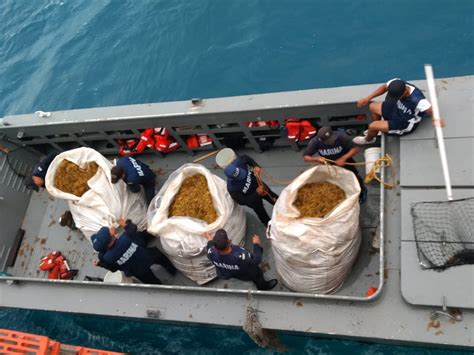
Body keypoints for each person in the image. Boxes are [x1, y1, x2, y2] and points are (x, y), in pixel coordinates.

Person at [91, 218, 176, 284]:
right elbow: (132, 228)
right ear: (112, 236)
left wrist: (100, 264)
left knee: (150, 280)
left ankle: (159, 286)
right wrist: (125, 223)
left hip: (137, 270)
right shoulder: (125, 238)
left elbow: (113, 268)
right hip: (146, 256)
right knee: (160, 257)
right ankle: (172, 270)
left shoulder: (107, 258)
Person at [353, 78, 433, 145]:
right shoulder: (396, 82)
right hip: (396, 109)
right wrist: (368, 98)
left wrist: (435, 119)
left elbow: (431, 110)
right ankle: (377, 130)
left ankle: (368, 139)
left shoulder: (418, 100)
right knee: (372, 106)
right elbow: (384, 87)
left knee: (372, 126)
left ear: (405, 92)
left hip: (404, 122)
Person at [303, 126, 367, 204]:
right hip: (329, 164)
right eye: (328, 141)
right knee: (334, 180)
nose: (331, 142)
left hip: (345, 162)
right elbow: (306, 157)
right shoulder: (314, 142)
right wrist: (316, 159)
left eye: (332, 139)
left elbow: (355, 148)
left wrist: (344, 158)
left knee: (355, 176)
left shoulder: (341, 136)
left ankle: (362, 191)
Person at [216, 148, 279, 226]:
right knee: (261, 212)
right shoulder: (232, 189)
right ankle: (269, 225)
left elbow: (247, 158)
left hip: (259, 184)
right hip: (253, 199)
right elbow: (243, 201)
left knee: (273, 197)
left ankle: (283, 207)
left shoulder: (239, 162)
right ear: (232, 178)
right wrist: (257, 193)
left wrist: (256, 166)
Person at [205, 229, 278, 291]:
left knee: (237, 274)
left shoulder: (211, 253)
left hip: (231, 272)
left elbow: (210, 246)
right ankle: (263, 287)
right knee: (257, 275)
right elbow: (256, 259)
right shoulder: (240, 256)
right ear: (229, 241)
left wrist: (210, 240)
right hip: (246, 273)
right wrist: (256, 245)